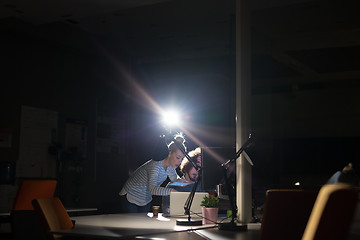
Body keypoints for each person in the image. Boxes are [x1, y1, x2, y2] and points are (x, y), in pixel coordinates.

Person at [119, 135, 188, 213]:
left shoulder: (170, 167)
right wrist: (171, 191)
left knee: (143, 224)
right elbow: (152, 189)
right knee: (133, 224)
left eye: (182, 159)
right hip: (130, 195)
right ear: (170, 153)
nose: (180, 162)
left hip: (145, 199)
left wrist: (187, 182)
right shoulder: (155, 166)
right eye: (178, 158)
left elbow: (175, 180)